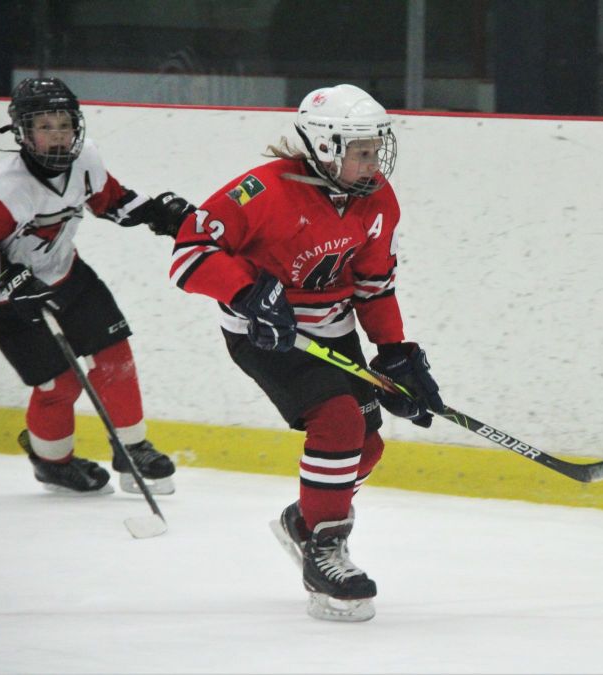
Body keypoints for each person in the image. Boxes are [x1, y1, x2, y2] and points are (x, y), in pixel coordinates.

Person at [169, 83, 443, 621]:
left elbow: (374, 286)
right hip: (267, 335)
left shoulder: (377, 199)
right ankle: (324, 550)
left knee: (366, 449)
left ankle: (306, 520)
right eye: (360, 151)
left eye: (376, 148)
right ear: (324, 147)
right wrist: (247, 292)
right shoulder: (262, 190)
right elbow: (189, 255)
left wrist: (394, 352)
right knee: (338, 423)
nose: (373, 162)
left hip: (333, 329)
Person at [0, 77, 195, 495]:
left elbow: (112, 202)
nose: (58, 135)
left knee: (115, 355)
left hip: (66, 273)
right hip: (3, 300)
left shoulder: (85, 160)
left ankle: (132, 450)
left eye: (64, 125)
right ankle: (52, 464)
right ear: (22, 132)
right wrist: (10, 279)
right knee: (59, 384)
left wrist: (159, 213)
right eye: (45, 127)